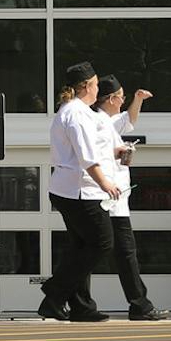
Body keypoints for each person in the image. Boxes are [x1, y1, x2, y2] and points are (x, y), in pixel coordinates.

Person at [37, 61, 119, 323]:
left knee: (81, 246)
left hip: (71, 189)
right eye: (95, 85)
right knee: (102, 242)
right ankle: (55, 291)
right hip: (78, 191)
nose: (98, 90)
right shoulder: (76, 114)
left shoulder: (75, 111)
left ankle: (81, 306)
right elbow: (86, 156)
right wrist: (105, 183)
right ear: (86, 86)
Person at [92, 76, 164, 321]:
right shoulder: (99, 123)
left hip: (114, 197)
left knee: (93, 250)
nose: (123, 101)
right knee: (121, 252)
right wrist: (120, 151)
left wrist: (137, 100)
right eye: (121, 97)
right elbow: (93, 155)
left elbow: (129, 120)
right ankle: (139, 304)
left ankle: (77, 301)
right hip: (107, 198)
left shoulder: (108, 121)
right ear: (111, 99)